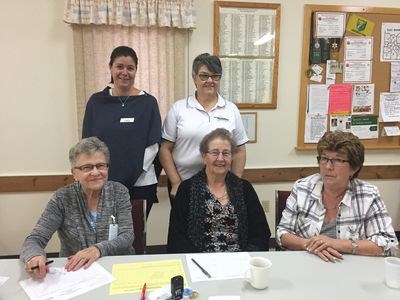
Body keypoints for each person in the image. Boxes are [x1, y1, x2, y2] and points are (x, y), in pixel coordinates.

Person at [20, 137, 134, 279]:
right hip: (77, 273)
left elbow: (127, 236)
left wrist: (98, 249)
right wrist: (34, 256)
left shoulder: (119, 192)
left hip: (117, 268)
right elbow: (35, 239)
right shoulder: (62, 198)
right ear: (74, 173)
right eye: (87, 167)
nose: (95, 172)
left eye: (100, 165)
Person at [276, 131, 398, 262]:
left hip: (350, 267)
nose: (328, 166)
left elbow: (388, 243)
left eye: (338, 160)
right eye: (324, 158)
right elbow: (282, 233)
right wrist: (312, 245)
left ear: (354, 167)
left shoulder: (368, 195)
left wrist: (337, 244)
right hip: (307, 264)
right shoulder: (302, 188)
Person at [82, 46, 161, 217]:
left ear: (136, 71)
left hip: (140, 183)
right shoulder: (96, 102)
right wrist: (102, 176)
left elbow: (153, 145)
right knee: (106, 236)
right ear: (110, 67)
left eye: (130, 68)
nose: (125, 72)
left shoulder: (148, 103)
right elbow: (88, 144)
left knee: (135, 235)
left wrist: (129, 176)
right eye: (119, 66)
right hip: (103, 183)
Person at [160, 53, 248, 200]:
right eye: (203, 76)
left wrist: (236, 182)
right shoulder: (179, 108)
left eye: (215, 76)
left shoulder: (231, 109)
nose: (209, 81)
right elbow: (164, 149)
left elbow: (240, 150)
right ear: (194, 78)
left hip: (222, 186)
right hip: (184, 184)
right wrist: (176, 182)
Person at [167, 128, 271, 253]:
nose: (220, 159)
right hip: (199, 261)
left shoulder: (244, 189)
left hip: (239, 260)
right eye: (215, 153)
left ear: (231, 157)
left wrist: (246, 258)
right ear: (204, 156)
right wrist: (197, 260)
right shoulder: (186, 189)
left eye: (226, 153)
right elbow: (177, 237)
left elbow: (261, 233)